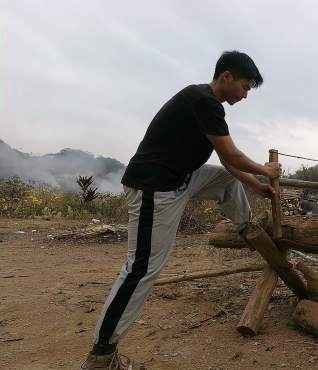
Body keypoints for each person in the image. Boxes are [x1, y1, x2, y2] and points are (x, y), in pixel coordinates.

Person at [81, 51, 280, 370]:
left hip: (181, 179)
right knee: (141, 269)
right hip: (153, 188)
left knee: (225, 177)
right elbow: (234, 153)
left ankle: (247, 231)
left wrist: (257, 185)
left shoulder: (205, 103)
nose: (245, 95)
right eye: (245, 86)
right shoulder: (203, 101)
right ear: (226, 77)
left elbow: (228, 162)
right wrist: (265, 171)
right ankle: (101, 356)